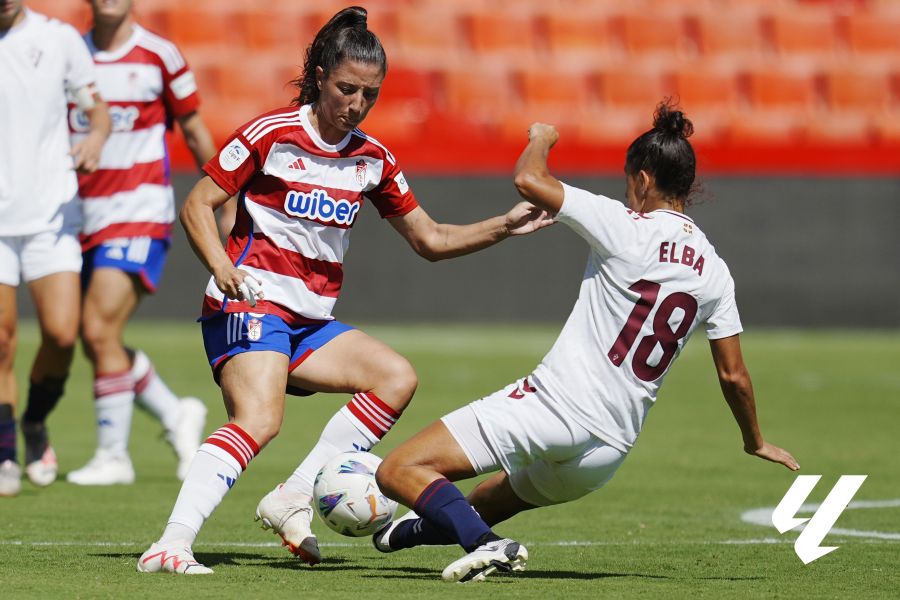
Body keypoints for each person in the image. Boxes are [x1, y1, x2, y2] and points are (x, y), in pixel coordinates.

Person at [136, 6, 552, 575]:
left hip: (308, 322)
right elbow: (197, 204)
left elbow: (430, 238)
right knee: (260, 419)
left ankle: (294, 493)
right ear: (320, 77)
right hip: (251, 303)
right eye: (346, 88)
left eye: (370, 95)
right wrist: (222, 267)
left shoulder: (373, 159)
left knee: (395, 377)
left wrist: (504, 225)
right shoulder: (271, 134)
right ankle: (172, 543)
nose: (356, 104)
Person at [371, 104, 801, 583]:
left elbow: (528, 180)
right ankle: (404, 536)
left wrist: (542, 137)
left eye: (626, 182)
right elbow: (733, 375)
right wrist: (754, 441)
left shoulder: (624, 225)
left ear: (641, 179)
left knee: (397, 470)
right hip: (607, 451)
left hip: (556, 407)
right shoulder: (715, 270)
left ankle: (490, 547)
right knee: (484, 502)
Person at [63, 0, 218, 486]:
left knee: (97, 327)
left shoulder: (160, 56)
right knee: (94, 340)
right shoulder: (69, 54)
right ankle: (176, 414)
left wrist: (226, 200)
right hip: (76, 215)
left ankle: (114, 456)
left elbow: (194, 130)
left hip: (138, 211)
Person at [0, 0, 111, 497]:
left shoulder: (60, 38)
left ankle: (34, 421)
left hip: (50, 214)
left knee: (62, 335)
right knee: (2, 341)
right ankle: (5, 450)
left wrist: (95, 140)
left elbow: (97, 110)